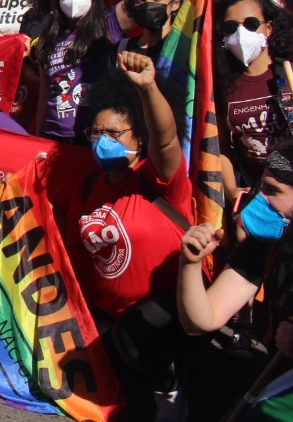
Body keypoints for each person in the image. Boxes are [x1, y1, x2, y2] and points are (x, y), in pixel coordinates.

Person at [68, 54, 192, 413]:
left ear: (139, 135)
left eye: (113, 133)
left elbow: (166, 140)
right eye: (96, 132)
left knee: (134, 338)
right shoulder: (87, 188)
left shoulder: (160, 179)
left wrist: (148, 88)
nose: (101, 141)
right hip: (111, 314)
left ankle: (172, 386)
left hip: (168, 310)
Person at [177, 141, 293, 412]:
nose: (257, 197)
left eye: (272, 190)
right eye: (260, 186)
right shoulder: (266, 244)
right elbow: (201, 321)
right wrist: (190, 263)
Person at [213, 0, 293, 190]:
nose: (241, 33)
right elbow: (220, 147)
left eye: (251, 24)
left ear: (269, 28)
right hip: (260, 193)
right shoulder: (222, 83)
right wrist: (233, 192)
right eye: (231, 27)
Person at [33, 0, 123, 143]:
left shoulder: (107, 26)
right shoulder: (48, 37)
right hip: (53, 135)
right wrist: (37, 136)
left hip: (94, 136)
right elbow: (44, 95)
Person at [116, 0, 188, 60]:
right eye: (140, 0)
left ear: (175, 3)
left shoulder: (185, 50)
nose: (148, 5)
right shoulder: (121, 50)